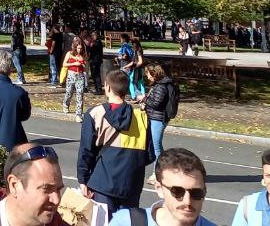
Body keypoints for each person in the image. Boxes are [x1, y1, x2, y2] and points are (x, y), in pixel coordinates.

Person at [78, 70, 153, 215]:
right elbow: (149, 155)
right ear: (126, 89)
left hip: (102, 182)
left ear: (107, 87)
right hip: (131, 184)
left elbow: (86, 151)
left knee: (102, 221)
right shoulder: (142, 117)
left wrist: (83, 179)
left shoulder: (94, 114)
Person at [0, 143, 71, 226]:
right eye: (46, 189)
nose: (56, 200)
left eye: (58, 189)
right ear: (14, 185)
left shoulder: (57, 223)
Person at [108, 148, 215, 226]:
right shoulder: (127, 222)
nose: (187, 201)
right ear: (159, 189)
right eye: (177, 191)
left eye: (196, 193)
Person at [141, 64, 179, 160]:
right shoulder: (159, 85)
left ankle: (157, 172)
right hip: (156, 117)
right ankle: (163, 167)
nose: (147, 76)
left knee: (156, 146)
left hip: (158, 119)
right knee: (156, 145)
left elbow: (156, 104)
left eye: (148, 73)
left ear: (154, 73)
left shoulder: (161, 86)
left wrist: (144, 99)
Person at [61, 37, 88, 121]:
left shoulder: (83, 55)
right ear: (75, 47)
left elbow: (85, 67)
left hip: (80, 76)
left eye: (81, 48)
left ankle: (78, 114)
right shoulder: (69, 54)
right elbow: (64, 64)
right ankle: (66, 104)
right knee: (69, 92)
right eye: (78, 48)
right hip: (71, 75)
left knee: (80, 94)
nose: (80, 50)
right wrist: (74, 63)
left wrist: (83, 65)